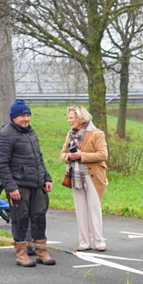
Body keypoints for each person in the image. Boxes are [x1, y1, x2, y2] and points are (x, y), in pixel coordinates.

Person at [0, 99, 55, 267]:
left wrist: (46, 178)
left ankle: (41, 252)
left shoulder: (30, 133)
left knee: (39, 218)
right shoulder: (6, 135)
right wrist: (11, 187)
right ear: (14, 117)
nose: (26, 119)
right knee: (20, 220)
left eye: (28, 115)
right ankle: (21, 255)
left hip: (36, 185)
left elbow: (38, 158)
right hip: (19, 186)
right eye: (22, 116)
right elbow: (0, 164)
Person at [59, 105, 109, 252]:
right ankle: (84, 242)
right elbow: (62, 154)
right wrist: (69, 156)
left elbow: (103, 155)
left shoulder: (97, 134)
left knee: (94, 209)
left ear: (80, 118)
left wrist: (82, 155)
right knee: (80, 210)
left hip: (93, 176)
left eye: (71, 117)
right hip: (75, 176)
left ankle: (99, 241)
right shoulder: (70, 134)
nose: (69, 121)